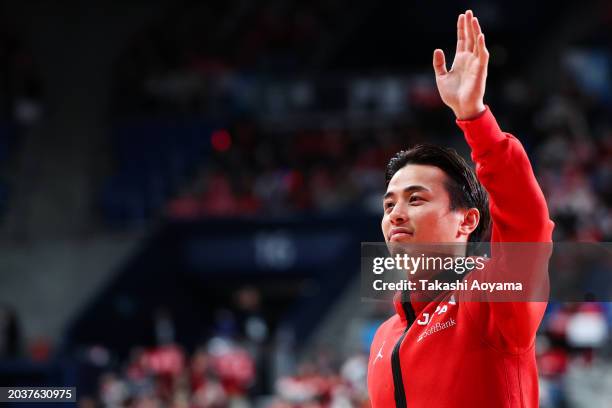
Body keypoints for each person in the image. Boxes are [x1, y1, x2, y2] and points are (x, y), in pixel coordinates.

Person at [367, 10, 555, 407]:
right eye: (389, 203)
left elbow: (527, 219)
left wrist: (474, 119)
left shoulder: (492, 300)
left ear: (467, 220)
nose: (396, 213)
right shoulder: (384, 337)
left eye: (416, 199)